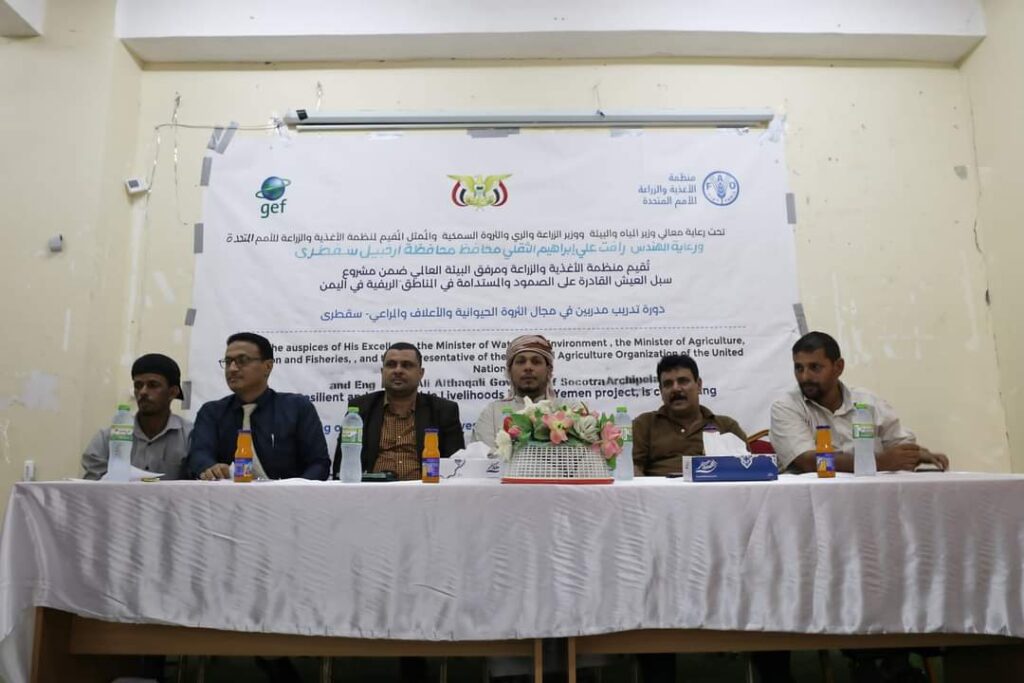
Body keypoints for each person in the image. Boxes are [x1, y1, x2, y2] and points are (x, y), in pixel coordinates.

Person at [770, 331, 949, 473]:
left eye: (814, 367)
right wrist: (880, 462)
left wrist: (914, 454)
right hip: (814, 501)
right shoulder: (786, 407)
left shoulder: (867, 401)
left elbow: (897, 445)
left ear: (838, 367)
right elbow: (808, 461)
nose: (805, 377)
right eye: (799, 368)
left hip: (872, 497)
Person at [188, 332, 330, 481]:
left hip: (288, 493)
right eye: (228, 361)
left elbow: (319, 464)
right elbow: (199, 455)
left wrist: (295, 490)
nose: (232, 368)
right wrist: (210, 468)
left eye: (242, 360)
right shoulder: (211, 412)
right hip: (228, 493)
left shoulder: (297, 408)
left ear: (268, 366)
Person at [333, 342, 463, 481]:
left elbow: (455, 467)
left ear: (421, 373)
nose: (398, 370)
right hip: (371, 490)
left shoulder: (443, 411)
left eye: (407, 365)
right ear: (382, 372)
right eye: (391, 365)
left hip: (425, 490)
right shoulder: (360, 409)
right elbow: (341, 467)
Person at [632, 353, 747, 476]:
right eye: (668, 384)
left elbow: (747, 467)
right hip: (658, 487)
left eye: (683, 381)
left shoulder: (726, 426)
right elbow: (629, 467)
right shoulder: (644, 425)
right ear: (661, 390)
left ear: (699, 385)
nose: (676, 388)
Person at [82, 353, 192, 480]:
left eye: (153, 385)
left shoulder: (189, 436)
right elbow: (92, 486)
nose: (143, 392)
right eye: (138, 385)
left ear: (172, 392)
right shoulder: (108, 438)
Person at [472, 334, 557, 451]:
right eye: (521, 362)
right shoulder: (492, 413)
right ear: (509, 370)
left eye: (536, 362)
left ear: (549, 370)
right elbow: (484, 457)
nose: (528, 367)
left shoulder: (568, 409)